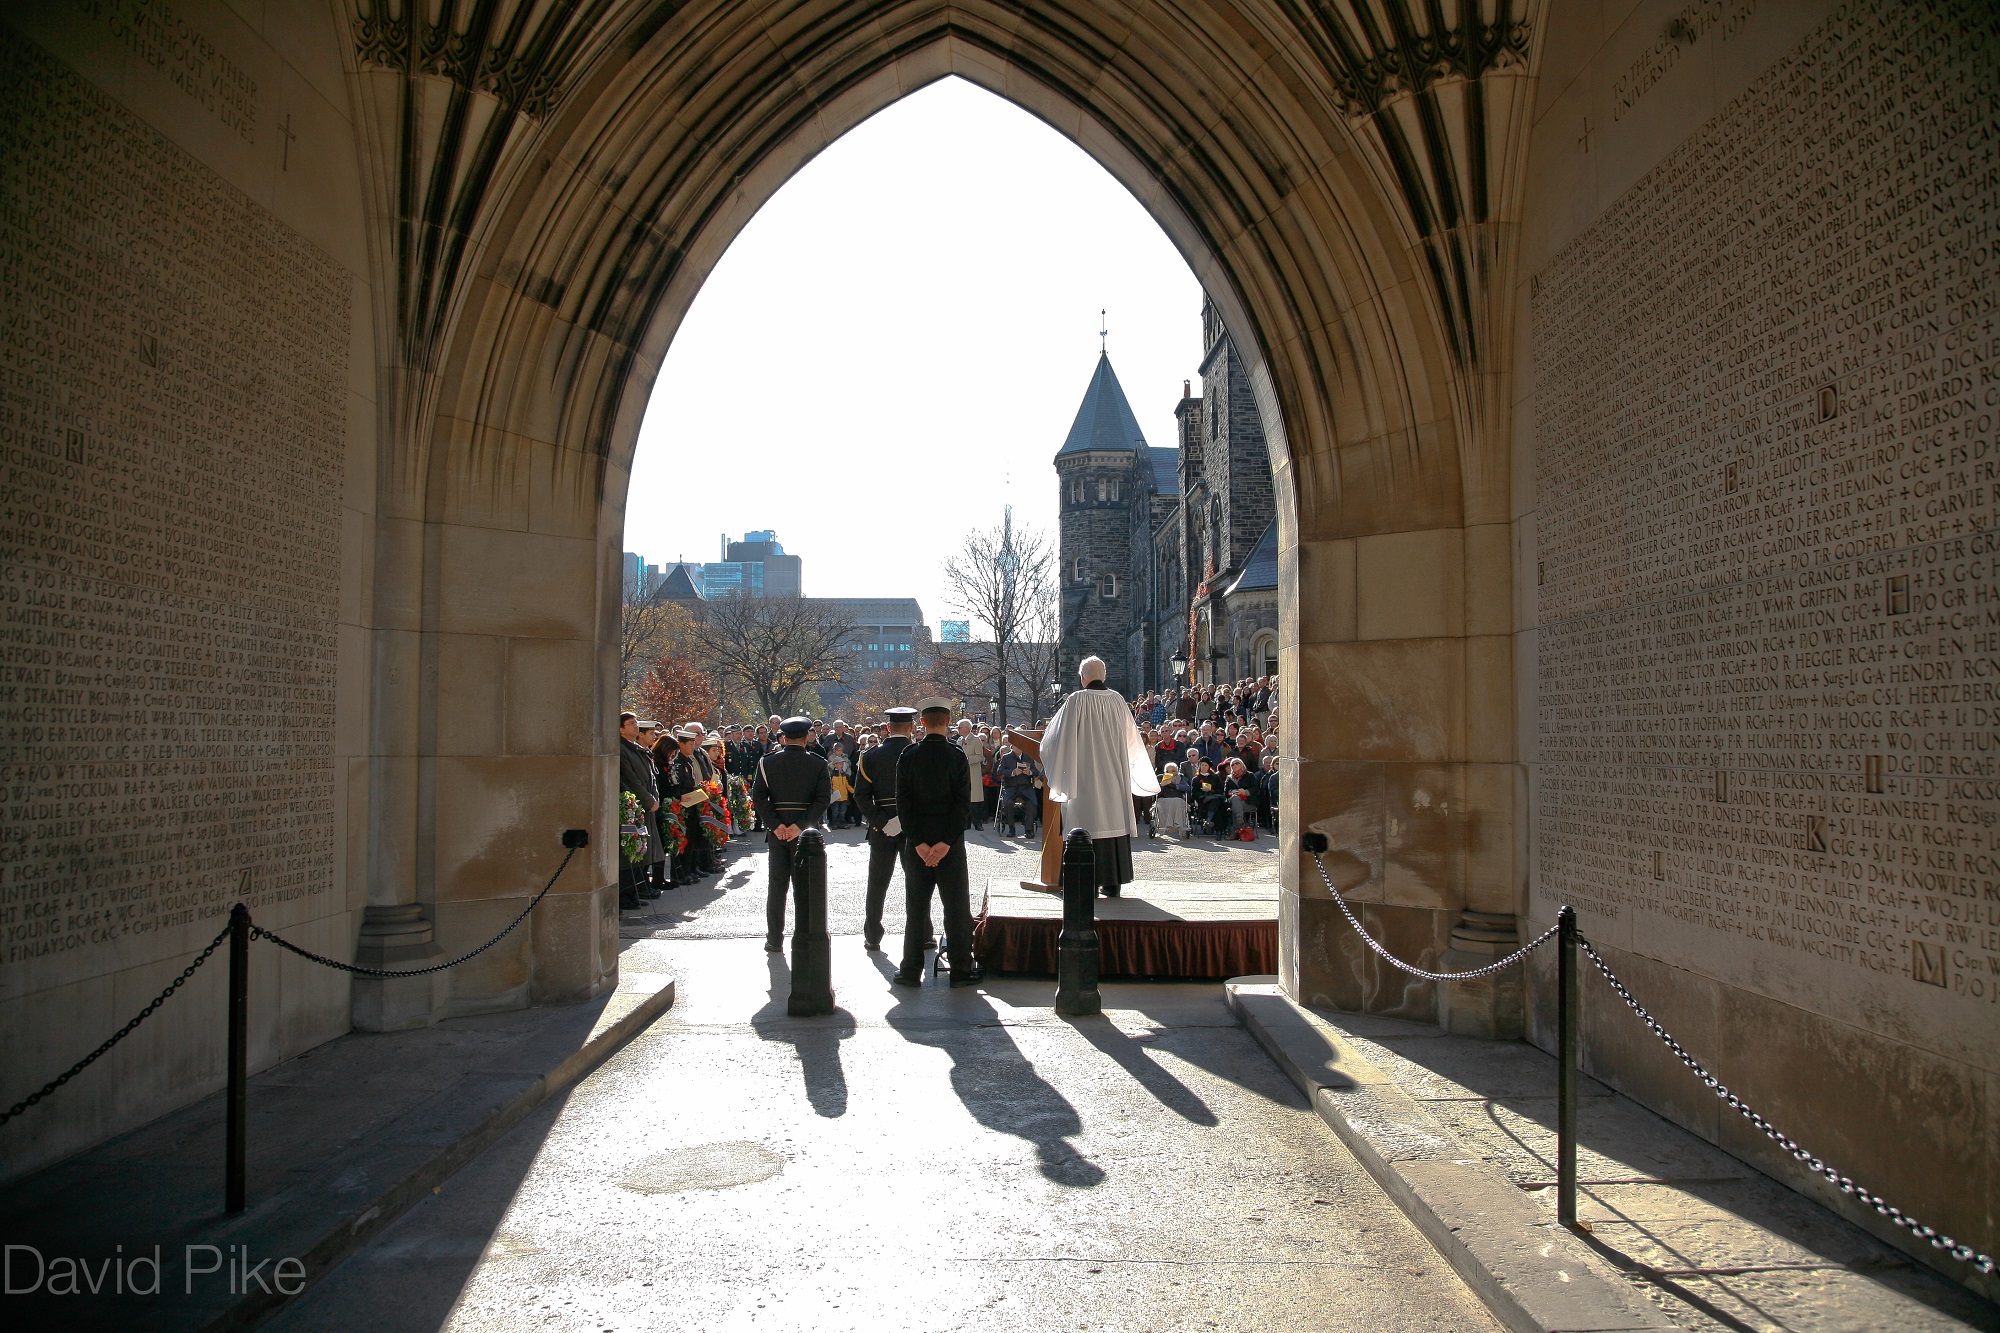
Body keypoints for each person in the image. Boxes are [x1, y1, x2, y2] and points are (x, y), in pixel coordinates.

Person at [1040, 656, 1160, 899]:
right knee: (1112, 821)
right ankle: (1113, 882)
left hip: (1085, 777)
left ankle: (1088, 884)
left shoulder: (1076, 700)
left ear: (1084, 677)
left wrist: (1049, 757)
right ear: (1103, 676)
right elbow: (1131, 741)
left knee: (1086, 823)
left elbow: (1054, 738)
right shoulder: (1117, 700)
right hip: (1114, 776)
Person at [892, 699, 980, 987]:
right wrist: (945, 843)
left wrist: (918, 843)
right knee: (956, 908)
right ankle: (961, 969)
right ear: (948, 722)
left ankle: (910, 970)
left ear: (923, 723)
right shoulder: (956, 756)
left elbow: (903, 805)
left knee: (916, 909)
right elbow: (962, 805)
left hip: (917, 842)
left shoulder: (908, 755)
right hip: (950, 843)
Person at [750, 716, 832, 954]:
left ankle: (774, 938)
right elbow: (822, 799)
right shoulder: (817, 763)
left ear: (783, 738)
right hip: (805, 835)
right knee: (803, 886)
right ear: (807, 737)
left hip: (778, 834)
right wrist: (800, 825)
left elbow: (759, 797)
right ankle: (804, 935)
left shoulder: (767, 762)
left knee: (777, 886)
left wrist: (776, 825)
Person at [852, 705, 917, 953]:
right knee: (916, 883)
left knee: (877, 884)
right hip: (913, 828)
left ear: (887, 728)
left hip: (881, 830)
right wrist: (904, 820)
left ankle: (872, 935)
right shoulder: (917, 753)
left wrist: (883, 822)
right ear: (911, 728)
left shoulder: (869, 756)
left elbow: (861, 796)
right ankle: (923, 934)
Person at [618, 713, 665, 906]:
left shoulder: (637, 749)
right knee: (630, 853)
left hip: (646, 806)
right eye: (631, 723)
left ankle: (636, 891)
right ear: (621, 729)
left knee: (642, 851)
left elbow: (651, 779)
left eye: (636, 722)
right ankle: (625, 895)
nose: (636, 726)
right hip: (635, 807)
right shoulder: (621, 750)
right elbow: (631, 780)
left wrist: (654, 799)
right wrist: (647, 801)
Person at [993, 740, 1042, 838]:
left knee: (1031, 803)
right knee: (1008, 803)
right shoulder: (1006, 757)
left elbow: (1035, 771)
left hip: (1026, 787)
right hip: (1011, 787)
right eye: (1016, 746)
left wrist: (1030, 772)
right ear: (1012, 746)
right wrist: (1012, 772)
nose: (1018, 748)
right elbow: (999, 771)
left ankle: (1028, 830)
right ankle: (1011, 829)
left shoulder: (1028, 757)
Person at [954, 717, 987, 831]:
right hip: (961, 773)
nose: (958, 729)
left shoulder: (976, 740)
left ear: (967, 728)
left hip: (973, 772)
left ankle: (977, 822)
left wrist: (967, 759)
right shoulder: (959, 740)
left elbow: (980, 756)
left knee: (975, 799)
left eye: (960, 727)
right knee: (964, 798)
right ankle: (965, 823)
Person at [1154, 762, 1189, 838]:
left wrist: (1174, 786)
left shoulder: (1182, 778)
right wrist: (1161, 785)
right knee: (1163, 803)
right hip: (1163, 799)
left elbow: (1187, 788)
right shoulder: (1160, 777)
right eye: (1168, 771)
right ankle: (1166, 824)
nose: (1171, 773)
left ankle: (1178, 824)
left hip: (1177, 799)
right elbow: (1155, 790)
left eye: (1173, 771)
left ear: (1177, 771)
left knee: (1176, 801)